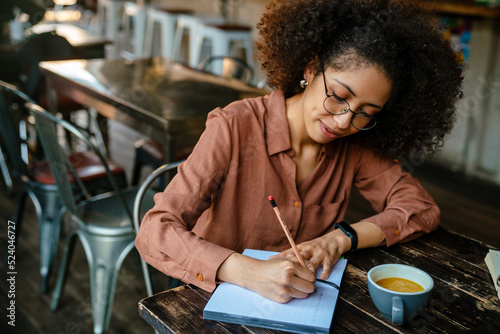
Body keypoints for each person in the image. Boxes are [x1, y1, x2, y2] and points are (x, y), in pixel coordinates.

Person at [136, 0, 462, 303]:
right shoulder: (234, 127)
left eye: (366, 112)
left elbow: (419, 209)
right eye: (337, 95)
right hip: (215, 298)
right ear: (309, 69)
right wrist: (247, 271)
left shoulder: (355, 145)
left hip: (304, 304)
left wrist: (341, 237)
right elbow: (155, 231)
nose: (344, 120)